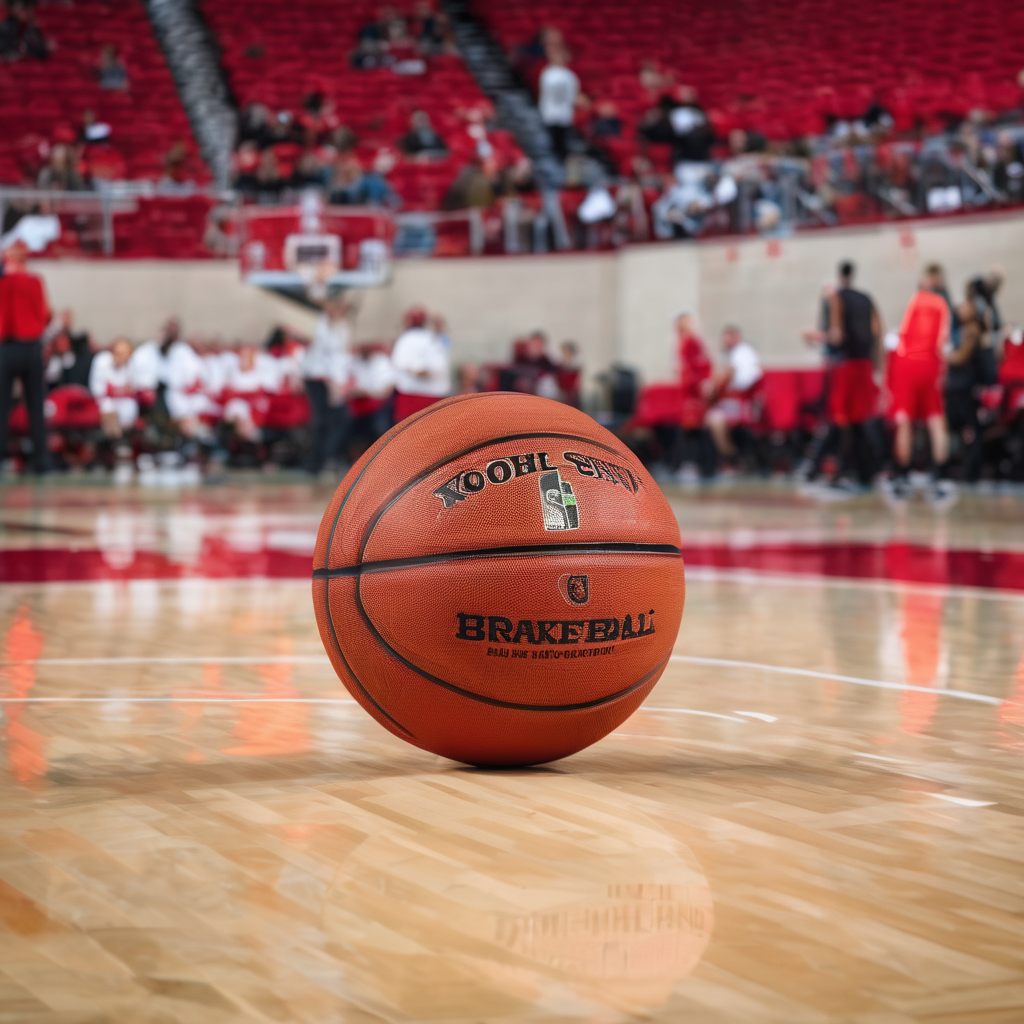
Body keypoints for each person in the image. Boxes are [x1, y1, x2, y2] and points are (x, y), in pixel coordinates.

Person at [885, 264, 954, 503]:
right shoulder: (943, 305)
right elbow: (943, 343)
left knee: (904, 420)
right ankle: (940, 479)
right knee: (936, 419)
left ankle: (901, 477)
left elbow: (901, 337)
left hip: (908, 364)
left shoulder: (916, 299)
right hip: (930, 364)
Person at [823, 261, 883, 489]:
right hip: (865, 365)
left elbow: (836, 335)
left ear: (840, 275)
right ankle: (867, 470)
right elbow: (877, 331)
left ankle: (840, 469)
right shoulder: (867, 298)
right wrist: (877, 366)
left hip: (846, 366)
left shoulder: (836, 297)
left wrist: (817, 336)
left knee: (842, 421)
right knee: (862, 419)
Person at [0, 239, 51, 474]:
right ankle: (41, 460)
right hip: (31, 347)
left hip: (6, 348)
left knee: (2, 406)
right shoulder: (34, 281)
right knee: (36, 406)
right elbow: (44, 314)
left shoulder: (3, 282)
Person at [303, 294, 354, 475]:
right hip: (320, 379)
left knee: (337, 420)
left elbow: (341, 358)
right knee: (325, 421)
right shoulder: (322, 327)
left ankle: (325, 459)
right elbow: (325, 358)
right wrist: (333, 384)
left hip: (332, 381)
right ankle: (319, 462)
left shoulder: (341, 327)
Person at [703, 325, 763, 468]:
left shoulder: (743, 353)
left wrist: (716, 383)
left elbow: (734, 378)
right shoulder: (732, 355)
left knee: (714, 419)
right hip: (731, 401)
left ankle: (731, 457)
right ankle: (725, 458)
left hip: (741, 404)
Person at [390, 306, 450, 421]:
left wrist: (421, 372)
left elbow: (399, 363)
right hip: (416, 394)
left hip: (422, 394)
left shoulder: (411, 338)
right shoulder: (430, 338)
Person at [89, 336, 140, 439]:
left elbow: (134, 388)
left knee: (130, 408)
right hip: (105, 402)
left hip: (124, 403)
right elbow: (97, 391)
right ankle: (115, 439)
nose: (122, 357)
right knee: (108, 408)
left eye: (126, 353)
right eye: (119, 353)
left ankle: (124, 438)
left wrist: (120, 391)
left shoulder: (131, 364)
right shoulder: (102, 361)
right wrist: (118, 391)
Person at [538, 45, 580, 162]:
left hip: (564, 114)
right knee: (551, 144)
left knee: (563, 145)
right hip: (550, 114)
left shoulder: (570, 76)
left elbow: (572, 96)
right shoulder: (547, 73)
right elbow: (544, 94)